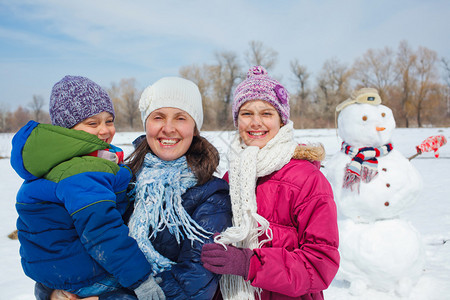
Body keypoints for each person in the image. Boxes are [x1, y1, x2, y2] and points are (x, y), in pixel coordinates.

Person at [11, 75, 160, 300]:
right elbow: (101, 230)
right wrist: (140, 279)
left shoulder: (59, 162)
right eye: (92, 123)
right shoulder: (83, 169)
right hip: (85, 276)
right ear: (66, 129)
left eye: (109, 120)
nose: (105, 130)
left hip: (56, 273)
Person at [201, 66, 340, 300]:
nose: (256, 122)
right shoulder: (233, 177)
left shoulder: (307, 179)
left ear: (281, 120)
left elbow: (320, 264)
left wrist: (250, 264)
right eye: (246, 114)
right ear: (237, 121)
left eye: (266, 113)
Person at [124, 76, 232, 300]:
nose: (168, 128)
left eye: (180, 118)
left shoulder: (213, 196)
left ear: (194, 128)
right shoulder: (124, 183)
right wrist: (53, 291)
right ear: (146, 124)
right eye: (158, 117)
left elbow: (192, 286)